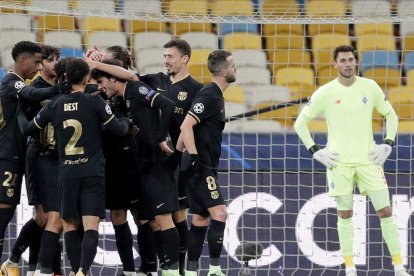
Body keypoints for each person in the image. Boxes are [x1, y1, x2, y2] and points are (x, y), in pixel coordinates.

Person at [294, 45, 410, 276]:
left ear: (356, 62)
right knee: (345, 215)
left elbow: (391, 115)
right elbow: (300, 123)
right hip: (339, 164)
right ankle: (349, 268)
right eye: (343, 60)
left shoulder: (370, 87)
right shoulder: (324, 93)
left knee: (385, 211)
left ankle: (398, 267)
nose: (347, 64)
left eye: (351, 60)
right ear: (335, 64)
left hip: (369, 160)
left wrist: (388, 143)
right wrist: (316, 150)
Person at [19, 58, 131, 276]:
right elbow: (118, 129)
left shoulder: (55, 105)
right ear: (87, 78)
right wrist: (127, 122)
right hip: (92, 173)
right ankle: (82, 271)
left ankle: (64, 270)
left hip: (67, 173)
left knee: (69, 226)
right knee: (90, 226)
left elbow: (29, 129)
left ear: (66, 78)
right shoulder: (95, 102)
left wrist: (21, 114)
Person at [90, 61, 181, 276]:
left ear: (113, 78)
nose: (100, 86)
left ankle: (172, 271)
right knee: (155, 219)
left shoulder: (136, 88)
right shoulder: (125, 98)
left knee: (163, 219)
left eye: (102, 81)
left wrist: (160, 137)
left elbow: (166, 105)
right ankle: (167, 269)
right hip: (145, 163)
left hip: (156, 162)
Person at [86, 45, 158, 276]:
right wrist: (87, 63)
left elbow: (130, 76)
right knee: (117, 215)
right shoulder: (100, 92)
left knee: (142, 217)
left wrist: (96, 63)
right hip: (110, 161)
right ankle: (128, 270)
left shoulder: (134, 86)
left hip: (134, 160)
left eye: (107, 63)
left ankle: (148, 268)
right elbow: (80, 84)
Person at [138, 39, 204, 275]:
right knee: (156, 217)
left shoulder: (196, 89)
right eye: (164, 56)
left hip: (179, 162)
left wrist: (184, 152)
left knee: (178, 215)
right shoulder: (157, 80)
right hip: (155, 161)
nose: (165, 60)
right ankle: (164, 266)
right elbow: (129, 76)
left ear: (184, 58)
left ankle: (181, 269)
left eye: (170, 56)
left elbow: (196, 129)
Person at [0, 41, 63, 276]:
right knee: (5, 212)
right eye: (37, 62)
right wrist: (62, 88)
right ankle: (15, 263)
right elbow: (31, 93)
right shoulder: (12, 82)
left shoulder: (19, 83)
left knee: (44, 216)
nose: (38, 67)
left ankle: (25, 265)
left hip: (19, 154)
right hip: (10, 155)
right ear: (22, 60)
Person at [177, 49, 237, 276]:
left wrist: (177, 153)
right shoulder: (210, 94)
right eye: (232, 66)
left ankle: (191, 271)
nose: (235, 69)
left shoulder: (214, 95)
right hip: (202, 167)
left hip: (202, 166)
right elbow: (186, 125)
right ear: (223, 71)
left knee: (201, 219)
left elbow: (186, 128)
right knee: (220, 213)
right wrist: (192, 157)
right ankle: (214, 270)